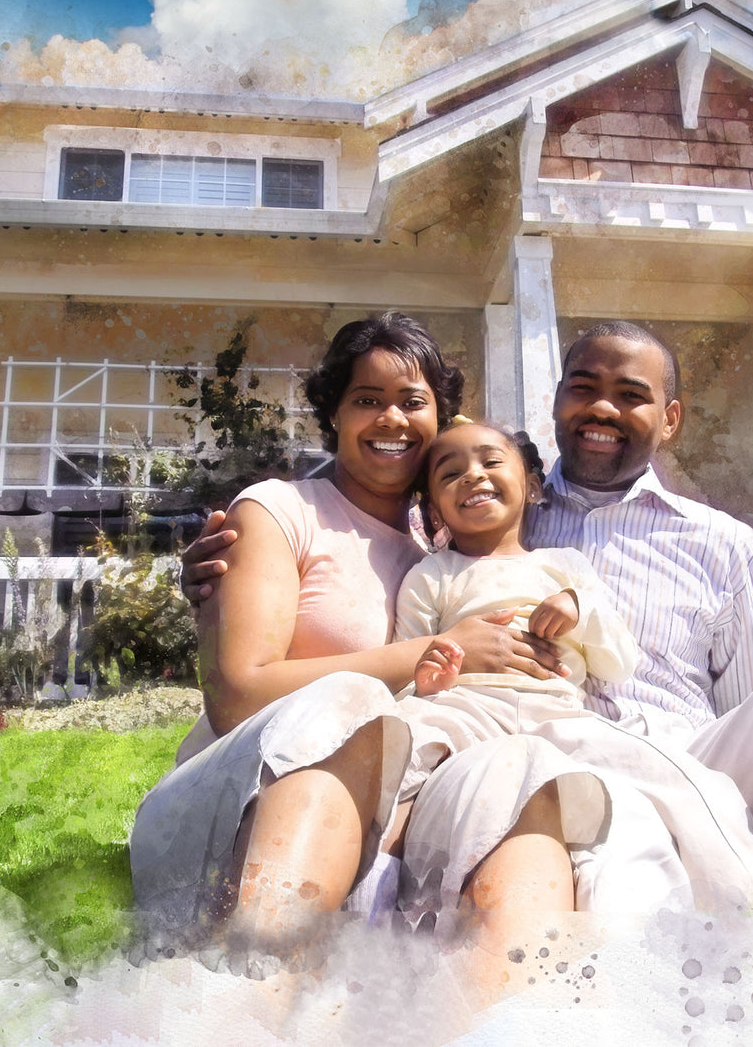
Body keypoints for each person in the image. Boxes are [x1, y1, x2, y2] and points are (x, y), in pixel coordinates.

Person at [186, 320, 753, 957]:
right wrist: (215, 588)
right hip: (542, 764)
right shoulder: (480, 527)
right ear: (553, 407)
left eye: (632, 394)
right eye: (583, 387)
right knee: (603, 881)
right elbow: (366, 570)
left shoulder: (723, 541)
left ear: (669, 416)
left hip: (694, 756)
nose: (603, 407)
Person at [128, 312, 577, 962]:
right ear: (332, 413)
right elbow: (237, 694)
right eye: (367, 400)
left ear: (439, 419)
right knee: (347, 705)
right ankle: (249, 995)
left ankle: (513, 1018)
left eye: (412, 401)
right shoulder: (280, 511)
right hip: (248, 817)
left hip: (383, 826)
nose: (391, 419)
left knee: (520, 772)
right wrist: (433, 649)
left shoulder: (439, 559)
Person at [384, 419, 753, 927]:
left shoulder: (566, 566)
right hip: (466, 709)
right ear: (431, 507)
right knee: (394, 760)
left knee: (679, 778)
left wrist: (579, 609)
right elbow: (410, 655)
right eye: (450, 475)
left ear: (533, 486)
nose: (472, 477)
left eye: (491, 463)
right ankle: (371, 902)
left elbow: (618, 661)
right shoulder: (431, 576)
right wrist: (429, 679)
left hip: (556, 715)